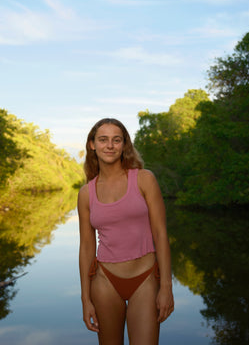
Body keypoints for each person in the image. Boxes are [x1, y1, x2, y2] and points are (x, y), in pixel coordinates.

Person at [78, 118, 174, 345]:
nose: (109, 145)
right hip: (105, 282)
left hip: (146, 279)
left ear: (124, 145)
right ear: (92, 144)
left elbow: (161, 235)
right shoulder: (85, 193)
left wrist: (167, 287)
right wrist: (85, 299)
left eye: (116, 140)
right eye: (103, 140)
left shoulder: (144, 179)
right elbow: (86, 248)